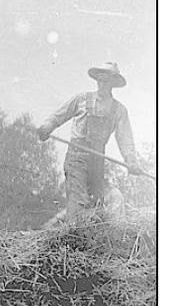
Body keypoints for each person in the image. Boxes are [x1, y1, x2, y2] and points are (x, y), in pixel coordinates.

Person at [35, 62, 145, 224]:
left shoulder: (119, 110)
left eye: (107, 79)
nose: (102, 82)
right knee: (78, 206)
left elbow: (125, 139)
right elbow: (58, 116)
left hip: (97, 162)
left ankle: (115, 240)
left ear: (113, 83)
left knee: (113, 199)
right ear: (96, 79)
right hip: (76, 160)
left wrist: (131, 161)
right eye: (100, 78)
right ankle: (73, 239)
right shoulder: (81, 99)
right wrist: (46, 127)